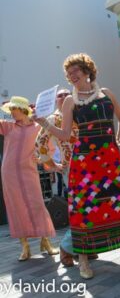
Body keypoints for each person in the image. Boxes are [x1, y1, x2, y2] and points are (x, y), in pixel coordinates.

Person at [34, 53, 120, 279]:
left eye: (76, 71)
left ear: (87, 71)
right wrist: (43, 123)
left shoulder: (106, 93)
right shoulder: (70, 101)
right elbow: (64, 135)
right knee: (85, 208)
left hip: (110, 158)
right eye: (69, 73)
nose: (72, 76)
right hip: (85, 162)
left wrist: (119, 139)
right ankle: (82, 258)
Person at [36, 88, 98, 267]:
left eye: (65, 94)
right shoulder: (54, 118)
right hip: (72, 169)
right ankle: (66, 248)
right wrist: (52, 165)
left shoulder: (78, 111)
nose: (63, 97)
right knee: (81, 209)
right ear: (55, 100)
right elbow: (39, 144)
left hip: (91, 167)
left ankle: (84, 248)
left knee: (91, 208)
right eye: (59, 95)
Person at [0, 96, 59, 261]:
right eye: (10, 109)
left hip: (28, 171)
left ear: (23, 110)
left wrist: (41, 159)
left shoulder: (37, 128)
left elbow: (49, 147)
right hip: (9, 173)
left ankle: (45, 241)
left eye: (14, 109)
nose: (11, 113)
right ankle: (24, 246)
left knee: (37, 204)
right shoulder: (8, 126)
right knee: (16, 207)